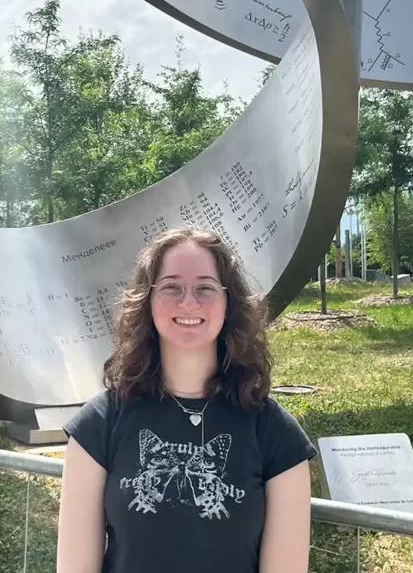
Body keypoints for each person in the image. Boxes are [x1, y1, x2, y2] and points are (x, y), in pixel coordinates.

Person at [57, 226, 316, 573]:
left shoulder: (276, 434)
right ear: (147, 301)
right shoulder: (98, 426)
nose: (189, 302)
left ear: (229, 302)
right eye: (172, 287)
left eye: (206, 288)